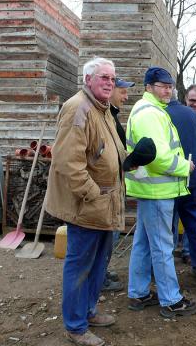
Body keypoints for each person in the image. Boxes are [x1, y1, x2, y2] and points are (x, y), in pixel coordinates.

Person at [45, 57, 128, 346]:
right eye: (104, 77)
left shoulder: (102, 109)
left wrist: (130, 161)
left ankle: (89, 311)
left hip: (105, 204)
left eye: (112, 78)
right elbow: (68, 162)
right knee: (80, 266)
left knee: (98, 264)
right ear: (88, 79)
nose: (110, 82)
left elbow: (109, 152)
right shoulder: (78, 108)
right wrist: (92, 194)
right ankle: (75, 326)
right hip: (87, 205)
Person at [125, 66, 196, 318]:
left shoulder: (150, 110)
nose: (168, 90)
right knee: (162, 246)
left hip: (151, 189)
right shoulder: (150, 113)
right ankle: (171, 300)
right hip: (158, 191)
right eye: (162, 86)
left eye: (170, 86)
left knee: (144, 243)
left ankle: (138, 293)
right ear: (148, 87)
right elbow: (157, 156)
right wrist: (184, 167)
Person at [166, 91, 196, 282]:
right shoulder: (193, 116)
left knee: (166, 229)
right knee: (194, 226)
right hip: (190, 181)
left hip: (166, 183)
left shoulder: (160, 114)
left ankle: (163, 271)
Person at [101, 77, 135, 293]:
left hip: (115, 183)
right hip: (107, 187)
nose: (126, 97)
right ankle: (99, 276)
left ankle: (102, 272)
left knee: (110, 233)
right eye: (122, 92)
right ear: (111, 91)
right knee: (107, 233)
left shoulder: (112, 115)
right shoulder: (106, 117)